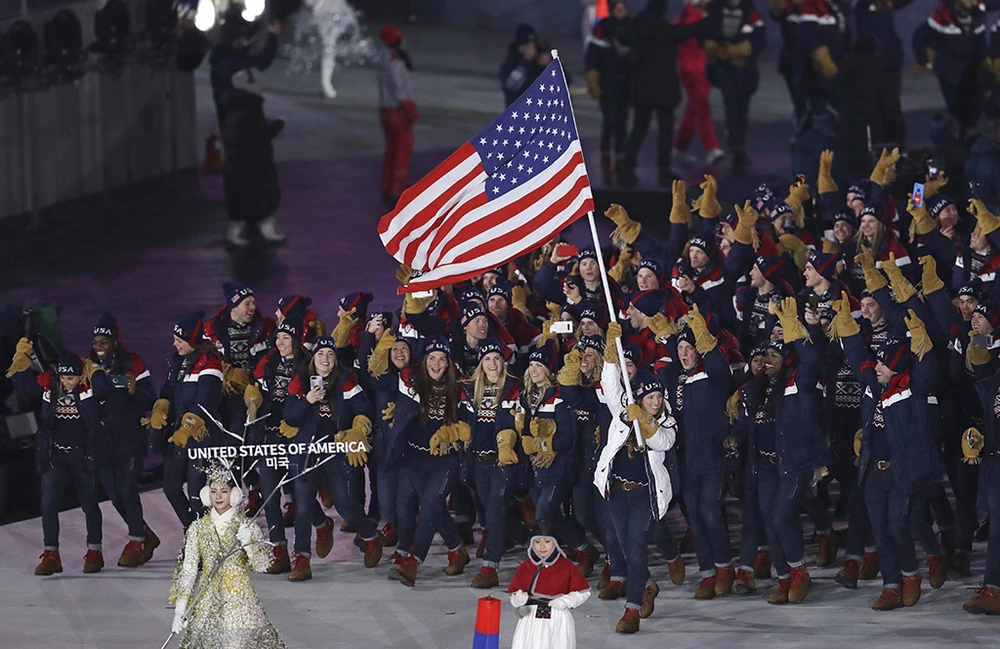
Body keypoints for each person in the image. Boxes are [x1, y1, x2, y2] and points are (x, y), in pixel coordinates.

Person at [7, 346, 111, 575]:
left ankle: (95, 552)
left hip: (83, 456)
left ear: (80, 375)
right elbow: (23, 384)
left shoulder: (88, 389)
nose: (67, 383)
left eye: (71, 378)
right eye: (64, 378)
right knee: (48, 506)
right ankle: (51, 554)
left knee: (90, 505)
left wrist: (94, 371)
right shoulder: (50, 387)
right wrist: (20, 361)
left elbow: (105, 390)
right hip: (55, 457)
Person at [168, 463, 286, 649]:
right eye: (214, 491)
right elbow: (189, 570)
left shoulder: (246, 527)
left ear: (234, 494)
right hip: (207, 601)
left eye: (224, 491)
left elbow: (262, 565)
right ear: (207, 494)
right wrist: (180, 609)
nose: (218, 496)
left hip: (239, 601)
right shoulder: (197, 529)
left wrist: (249, 544)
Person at [88, 312, 160, 566]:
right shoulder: (88, 366)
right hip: (103, 440)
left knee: (127, 487)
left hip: (130, 437)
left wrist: (134, 392)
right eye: (96, 340)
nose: (99, 345)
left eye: (104, 341)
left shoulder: (133, 363)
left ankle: (136, 540)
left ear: (115, 342)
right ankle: (144, 532)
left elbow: (150, 397)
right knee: (111, 489)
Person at [616, 0, 712, 188]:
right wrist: (711, 18)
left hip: (642, 87)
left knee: (639, 128)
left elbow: (621, 36)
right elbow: (690, 30)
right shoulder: (666, 30)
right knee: (665, 131)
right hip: (665, 89)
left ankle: (627, 168)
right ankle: (664, 171)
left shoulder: (636, 28)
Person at [210, 10, 285, 247]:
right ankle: (245, 223)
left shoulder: (232, 63)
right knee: (244, 178)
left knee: (254, 176)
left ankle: (253, 222)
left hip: (247, 130)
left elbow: (261, 61)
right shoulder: (228, 66)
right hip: (241, 131)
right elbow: (258, 64)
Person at [508, 524, 592, 649]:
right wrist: (518, 599)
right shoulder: (525, 567)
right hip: (530, 619)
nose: (542, 546)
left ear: (555, 543)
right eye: (537, 541)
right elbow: (514, 591)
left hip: (557, 617)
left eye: (547, 541)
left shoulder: (566, 567)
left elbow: (583, 592)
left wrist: (566, 601)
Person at [585, 0, 634, 176]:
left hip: (626, 85)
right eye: (617, 6)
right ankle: (606, 155)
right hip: (607, 85)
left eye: (623, 6)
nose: (621, 9)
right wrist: (593, 80)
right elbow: (592, 56)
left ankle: (620, 156)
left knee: (622, 121)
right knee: (610, 120)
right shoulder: (601, 30)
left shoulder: (632, 27)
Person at [674, 0, 725, 167]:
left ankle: (680, 148)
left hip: (704, 67)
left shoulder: (707, 13)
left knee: (693, 108)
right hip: (689, 68)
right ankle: (711, 148)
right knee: (701, 105)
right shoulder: (687, 15)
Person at [378, 25, 419, 206]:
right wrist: (409, 108)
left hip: (386, 110)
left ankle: (388, 185)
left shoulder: (384, 59)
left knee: (392, 150)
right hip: (398, 112)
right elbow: (400, 89)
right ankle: (397, 189)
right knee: (402, 151)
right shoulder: (396, 62)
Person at [499, 24, 547, 108]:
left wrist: (548, 66)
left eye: (532, 46)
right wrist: (525, 62)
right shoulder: (511, 62)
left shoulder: (540, 58)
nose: (530, 49)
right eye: (526, 46)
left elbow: (566, 81)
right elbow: (511, 85)